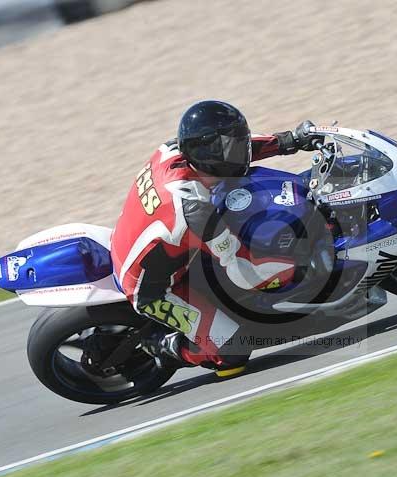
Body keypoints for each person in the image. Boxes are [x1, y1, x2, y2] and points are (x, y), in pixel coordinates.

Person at [110, 100, 320, 377]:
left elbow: (237, 148)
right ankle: (164, 345)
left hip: (151, 244)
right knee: (233, 351)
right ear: (207, 153)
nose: (238, 150)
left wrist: (288, 141)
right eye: (229, 146)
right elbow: (244, 270)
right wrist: (295, 267)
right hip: (152, 289)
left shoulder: (173, 149)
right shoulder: (194, 209)